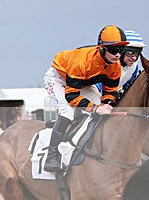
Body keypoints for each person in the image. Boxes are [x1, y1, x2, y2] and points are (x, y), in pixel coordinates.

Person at [42, 25, 128, 172]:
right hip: (58, 79)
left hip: (83, 82)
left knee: (97, 105)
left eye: (121, 50)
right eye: (114, 50)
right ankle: (51, 155)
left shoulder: (115, 66)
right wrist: (96, 108)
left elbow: (110, 91)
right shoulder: (82, 61)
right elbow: (71, 96)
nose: (118, 55)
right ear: (102, 48)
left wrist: (106, 104)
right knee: (67, 112)